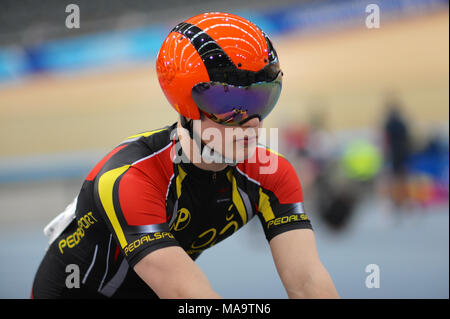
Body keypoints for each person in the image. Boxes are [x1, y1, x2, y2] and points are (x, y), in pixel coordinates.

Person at [32, 12, 339, 299]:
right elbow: (188, 295)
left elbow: (307, 281)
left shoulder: (271, 173)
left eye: (261, 98)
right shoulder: (131, 177)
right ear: (185, 105)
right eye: (228, 104)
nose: (252, 123)